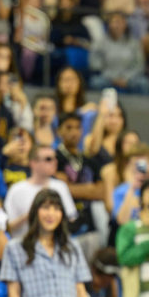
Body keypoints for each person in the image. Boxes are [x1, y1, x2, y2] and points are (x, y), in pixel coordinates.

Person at [54, 112, 105, 262]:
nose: (74, 132)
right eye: (68, 128)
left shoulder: (89, 160)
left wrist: (72, 188)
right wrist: (89, 189)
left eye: (77, 128)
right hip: (65, 227)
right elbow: (62, 188)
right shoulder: (55, 158)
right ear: (59, 131)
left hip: (89, 226)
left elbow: (101, 192)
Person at [4, 144, 77, 239]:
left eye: (55, 158)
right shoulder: (16, 189)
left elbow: (71, 219)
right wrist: (30, 215)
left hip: (55, 245)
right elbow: (7, 227)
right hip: (23, 247)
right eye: (48, 159)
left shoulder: (61, 187)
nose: (55, 162)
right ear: (33, 163)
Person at [89, 11, 149, 95]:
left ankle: (144, 107)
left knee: (143, 83)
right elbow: (95, 63)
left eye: (119, 22)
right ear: (109, 25)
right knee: (95, 82)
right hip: (107, 78)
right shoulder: (100, 42)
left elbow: (139, 65)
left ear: (125, 25)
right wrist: (112, 78)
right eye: (113, 22)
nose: (116, 26)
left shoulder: (134, 43)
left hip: (129, 79)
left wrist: (126, 78)